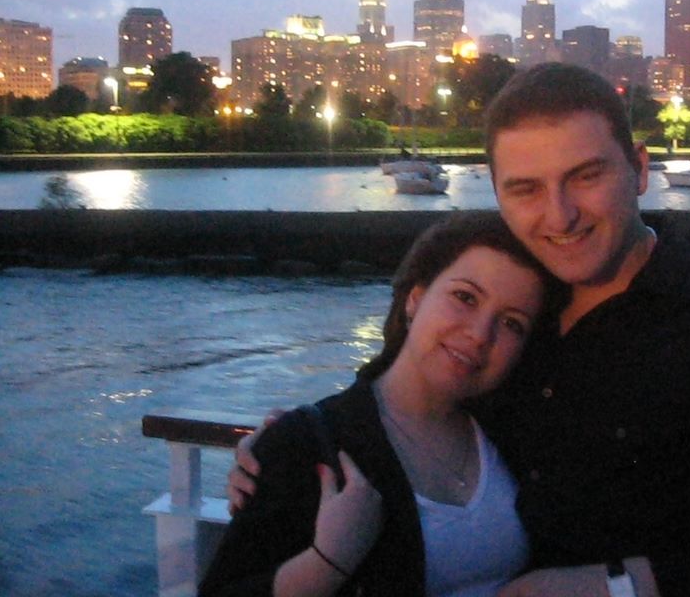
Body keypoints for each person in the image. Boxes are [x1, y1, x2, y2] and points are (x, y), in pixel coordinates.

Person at [231, 63, 690, 596]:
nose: (559, 215)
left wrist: (619, 586)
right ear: (498, 194)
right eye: (526, 190)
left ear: (639, 169)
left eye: (585, 177)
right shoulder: (518, 314)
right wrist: (292, 452)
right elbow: (415, 390)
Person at [200, 211, 566, 597]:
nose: (479, 334)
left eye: (511, 323)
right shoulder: (309, 445)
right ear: (415, 299)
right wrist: (326, 564)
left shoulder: (516, 438)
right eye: (465, 297)